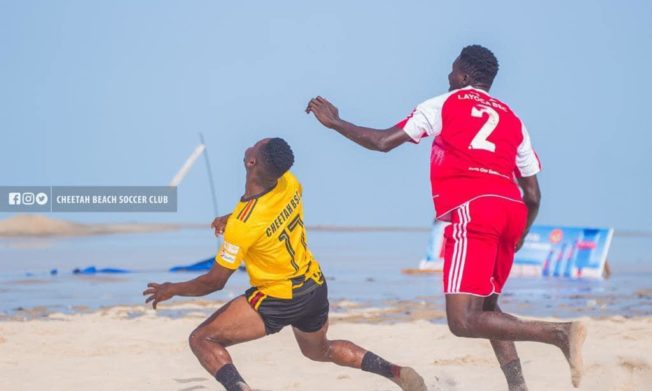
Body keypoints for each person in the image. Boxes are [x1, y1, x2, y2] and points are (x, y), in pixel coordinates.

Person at [306, 45, 587, 390]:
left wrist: (335, 123)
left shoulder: (445, 103)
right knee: (487, 308)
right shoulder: (514, 118)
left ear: (465, 76)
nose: (448, 76)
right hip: (511, 211)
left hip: (475, 210)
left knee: (462, 321)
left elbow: (382, 142)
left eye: (452, 71)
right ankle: (518, 386)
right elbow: (533, 195)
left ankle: (559, 333)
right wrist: (520, 234)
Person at [143, 138, 427, 391]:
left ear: (251, 161)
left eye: (256, 144)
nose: (252, 143)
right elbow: (265, 211)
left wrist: (173, 288)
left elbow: (214, 282)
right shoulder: (289, 182)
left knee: (202, 339)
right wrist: (232, 217)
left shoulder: (243, 224)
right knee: (320, 351)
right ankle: (395, 372)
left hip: (279, 296)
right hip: (314, 286)